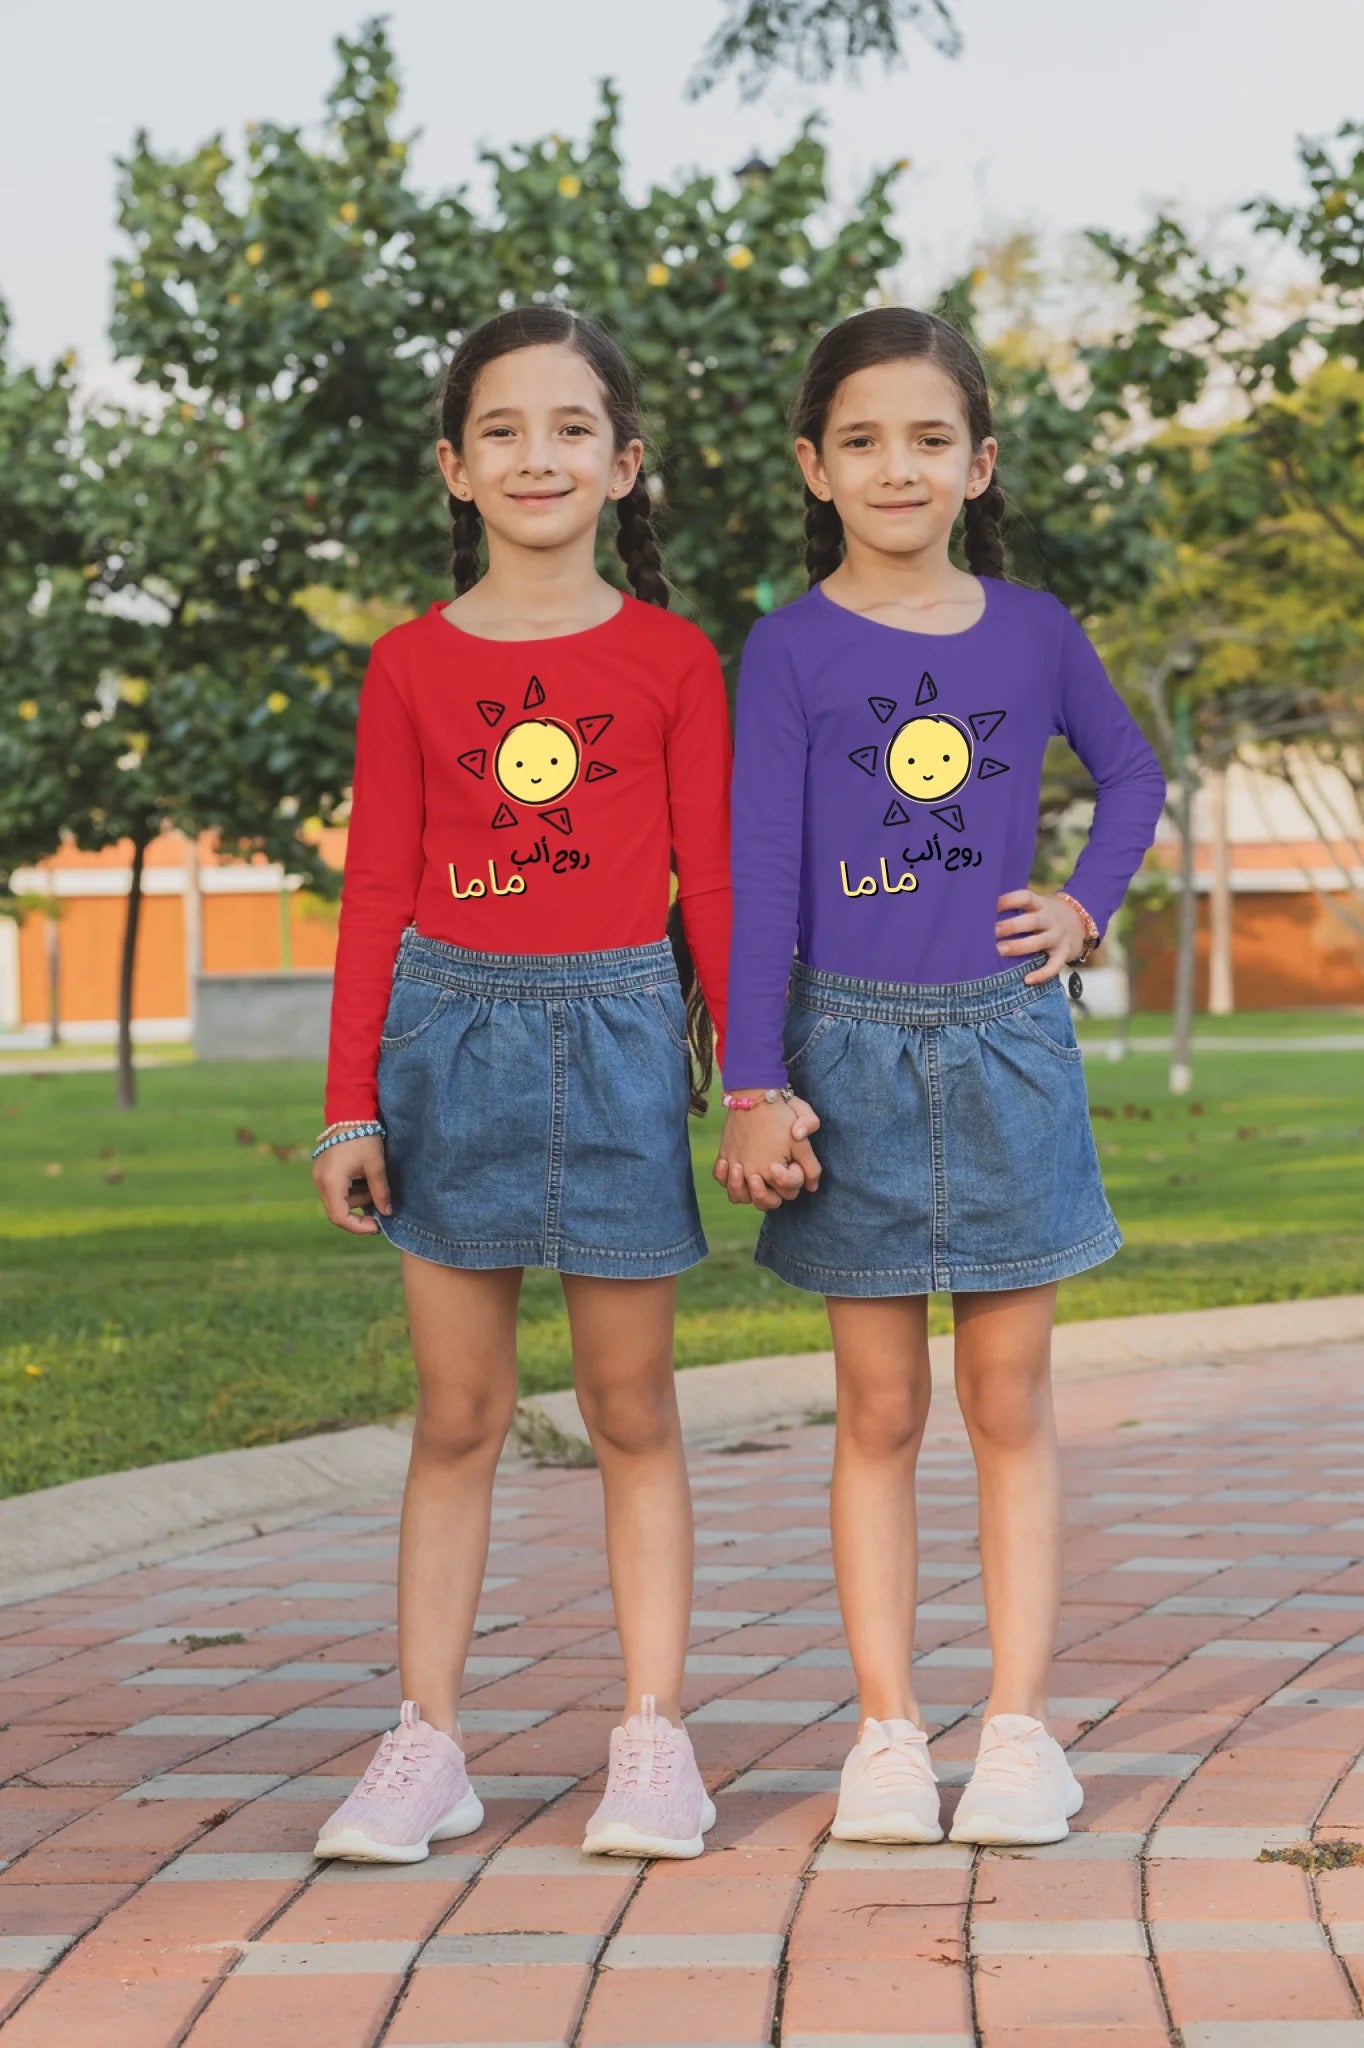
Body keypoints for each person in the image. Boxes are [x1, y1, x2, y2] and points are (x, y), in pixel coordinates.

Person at [309, 305, 813, 1864]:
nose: (538, 456)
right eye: (503, 430)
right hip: (445, 1042)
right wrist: (348, 1104)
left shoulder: (670, 659)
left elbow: (712, 886)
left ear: (623, 462)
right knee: (458, 1412)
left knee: (627, 1406)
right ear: (455, 468)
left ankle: (654, 1742)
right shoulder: (407, 665)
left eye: (570, 428)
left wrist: (751, 1079)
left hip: (615, 1041)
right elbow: (374, 889)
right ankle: (427, 1744)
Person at [716, 306, 1166, 1847]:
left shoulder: (1032, 631)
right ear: (813, 466)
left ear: (977, 463)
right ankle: (888, 1736)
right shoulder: (788, 647)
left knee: (1005, 1398)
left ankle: (1019, 1734)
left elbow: (1133, 772)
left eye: (927, 439)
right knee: (878, 1404)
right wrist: (752, 1080)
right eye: (861, 441)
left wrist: (1084, 902)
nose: (895, 467)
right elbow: (761, 874)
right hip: (838, 1056)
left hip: (1003, 1048)